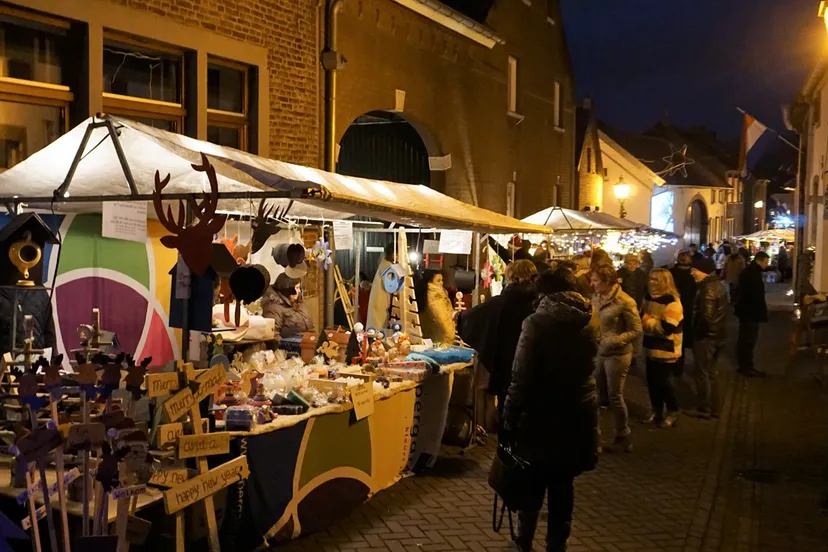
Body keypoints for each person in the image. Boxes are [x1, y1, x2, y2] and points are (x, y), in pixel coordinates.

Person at [501, 267, 600, 552]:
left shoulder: (537, 323)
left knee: (531, 482)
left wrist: (508, 417)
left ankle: (524, 541)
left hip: (539, 415)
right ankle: (557, 544)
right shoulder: (590, 321)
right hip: (577, 413)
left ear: (545, 292)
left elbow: (521, 378)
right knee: (562, 485)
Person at [457, 260, 537, 418]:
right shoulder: (539, 301)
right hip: (534, 364)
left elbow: (471, 318)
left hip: (505, 364)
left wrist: (459, 317)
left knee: (506, 408)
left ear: (512, 278)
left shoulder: (501, 302)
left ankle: (505, 441)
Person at [590, 264, 642, 452]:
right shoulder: (595, 297)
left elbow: (636, 330)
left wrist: (613, 340)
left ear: (607, 281)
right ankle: (594, 436)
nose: (592, 284)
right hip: (597, 352)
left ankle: (623, 433)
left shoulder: (624, 301)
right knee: (593, 394)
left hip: (618, 355)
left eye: (595, 280)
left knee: (614, 395)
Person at [641, 268, 684, 428]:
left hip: (666, 348)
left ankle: (672, 411)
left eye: (656, 280)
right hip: (650, 346)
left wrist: (648, 321)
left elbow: (666, 328)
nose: (651, 282)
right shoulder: (647, 298)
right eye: (650, 278)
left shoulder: (672, 302)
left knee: (664, 383)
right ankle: (656, 410)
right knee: (652, 382)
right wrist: (651, 320)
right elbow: (641, 316)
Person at [690, 265, 728, 419]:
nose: (692, 273)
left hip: (707, 338)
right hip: (718, 335)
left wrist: (698, 334)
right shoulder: (718, 284)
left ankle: (704, 408)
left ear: (703, 271)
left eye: (695, 270)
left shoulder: (708, 289)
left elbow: (707, 316)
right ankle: (716, 408)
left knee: (702, 372)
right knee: (712, 373)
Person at [735, 251, 771, 377]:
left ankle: (743, 365)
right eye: (766, 262)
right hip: (750, 313)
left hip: (746, 312)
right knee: (748, 340)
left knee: (745, 339)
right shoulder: (753, 274)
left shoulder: (749, 272)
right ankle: (746, 366)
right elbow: (755, 296)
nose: (766, 265)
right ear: (760, 260)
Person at [0, 288, 56, 357]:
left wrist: (54, 364)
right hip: (5, 363)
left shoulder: (40, 291)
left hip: (37, 364)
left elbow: (49, 337)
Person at [669, 251, 697, 378]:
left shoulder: (671, 273)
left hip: (672, 308)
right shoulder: (693, 274)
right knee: (682, 337)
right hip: (687, 310)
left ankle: (671, 364)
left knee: (671, 335)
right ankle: (679, 367)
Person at [261, 273, 314, 338]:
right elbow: (273, 334)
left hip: (306, 345)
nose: (299, 291)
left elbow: (311, 327)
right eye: (297, 288)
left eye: (299, 288)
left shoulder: (300, 304)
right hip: (288, 346)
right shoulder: (273, 307)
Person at [366, 243, 396, 330]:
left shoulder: (384, 265)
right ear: (394, 254)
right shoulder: (388, 267)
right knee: (379, 331)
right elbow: (390, 286)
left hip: (378, 303)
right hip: (381, 304)